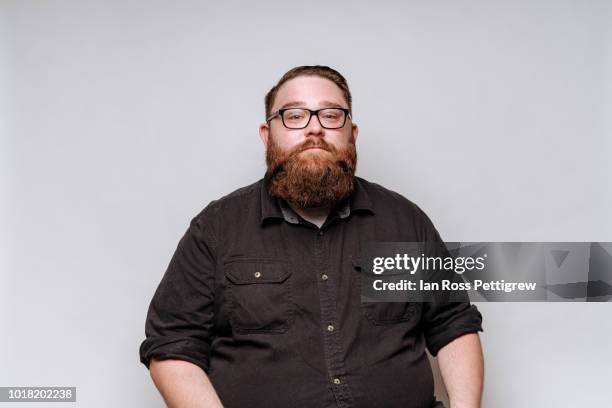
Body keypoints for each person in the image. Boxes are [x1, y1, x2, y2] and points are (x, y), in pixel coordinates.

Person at [139, 65, 484, 408]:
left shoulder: (405, 221)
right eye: (294, 115)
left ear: (352, 133)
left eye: (331, 115)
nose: (314, 128)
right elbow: (173, 343)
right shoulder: (215, 228)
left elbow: (453, 323)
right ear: (266, 133)